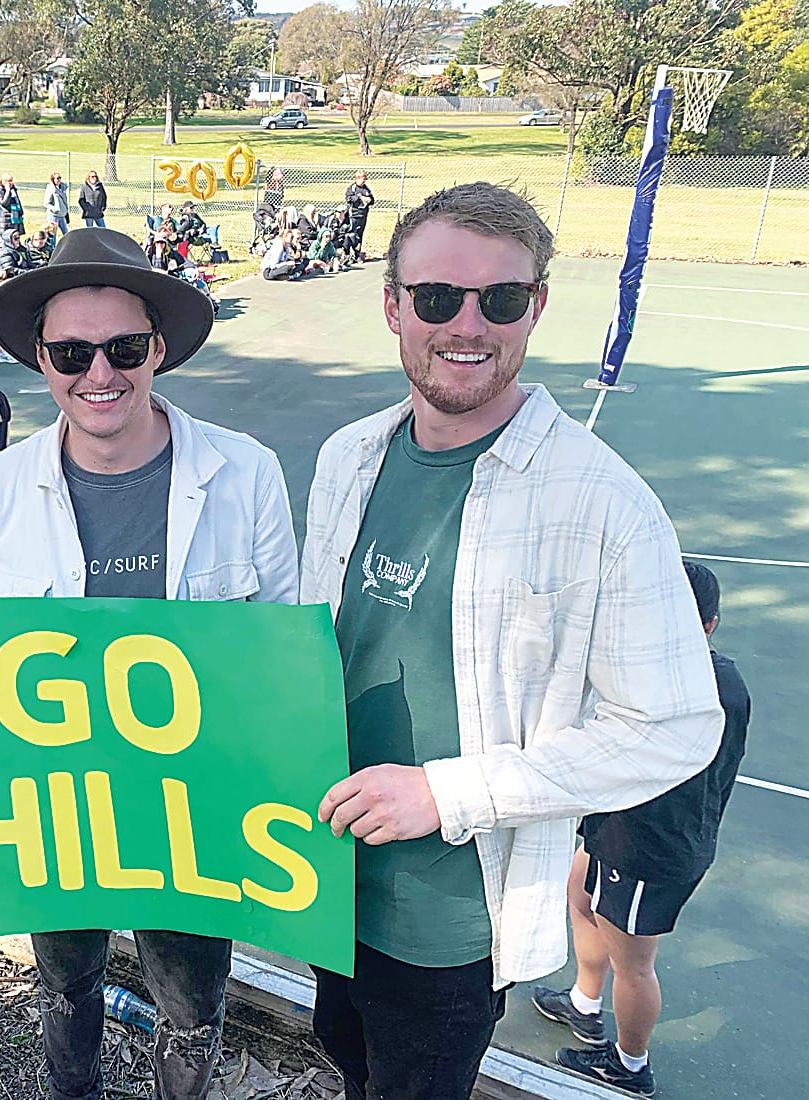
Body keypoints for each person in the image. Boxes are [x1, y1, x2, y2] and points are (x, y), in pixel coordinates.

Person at [298, 182, 724, 1100]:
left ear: (533, 306)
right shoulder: (345, 459)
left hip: (450, 924)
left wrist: (447, 792)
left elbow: (675, 724)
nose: (466, 324)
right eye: (435, 297)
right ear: (391, 305)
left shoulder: (602, 503)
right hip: (321, 881)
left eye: (498, 300)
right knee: (346, 1060)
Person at [0, 226, 298, 1100]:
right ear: (39, 359)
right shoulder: (0, 487)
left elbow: (278, 647)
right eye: (71, 352)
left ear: (158, 349)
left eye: (123, 348)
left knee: (190, 1001)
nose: (98, 374)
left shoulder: (245, 473)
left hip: (194, 810)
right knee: (66, 983)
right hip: (53, 805)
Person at [533, 559, 750, 1096]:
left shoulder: (693, 692)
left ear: (705, 627)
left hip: (648, 847)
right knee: (581, 900)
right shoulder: (705, 676)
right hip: (620, 827)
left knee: (634, 965)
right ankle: (585, 1005)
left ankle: (630, 1066)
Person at [345, 170, 376, 261]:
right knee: (351, 235)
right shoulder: (352, 188)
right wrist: (359, 197)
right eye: (363, 179)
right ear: (357, 178)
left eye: (365, 179)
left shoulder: (367, 189)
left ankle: (357, 254)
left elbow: (372, 200)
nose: (364, 181)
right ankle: (347, 254)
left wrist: (368, 200)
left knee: (359, 235)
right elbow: (349, 199)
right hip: (353, 215)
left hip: (363, 215)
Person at [44, 171, 69, 235]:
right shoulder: (51, 189)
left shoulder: (62, 188)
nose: (59, 180)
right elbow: (46, 203)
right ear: (53, 179)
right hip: (54, 215)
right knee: (53, 233)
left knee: (66, 233)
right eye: (57, 178)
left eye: (60, 178)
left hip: (62, 215)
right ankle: (53, 245)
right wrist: (55, 209)